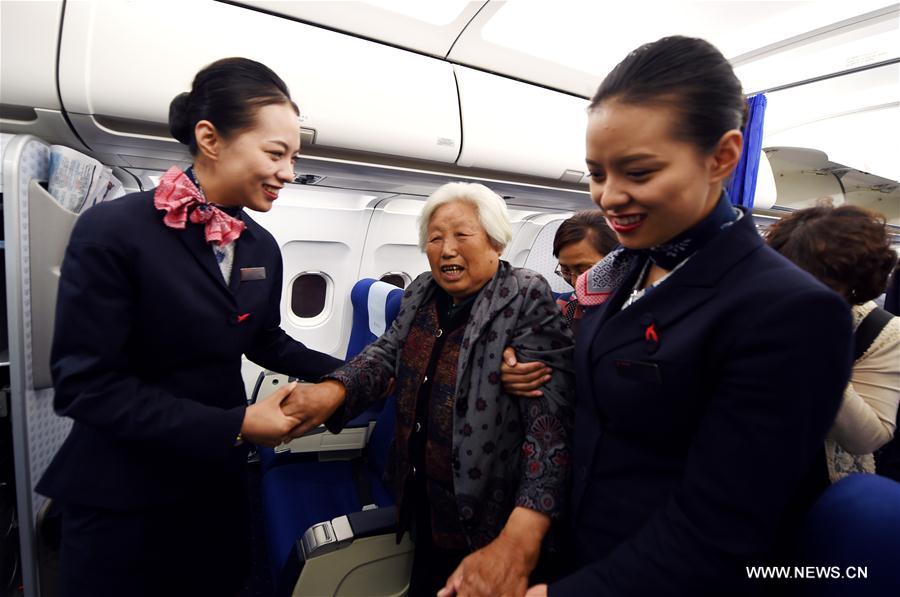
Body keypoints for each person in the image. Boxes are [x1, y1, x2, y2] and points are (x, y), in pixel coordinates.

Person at [507, 36, 853, 596]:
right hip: (582, 557)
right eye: (597, 173)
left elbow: (720, 532)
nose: (609, 197)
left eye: (638, 173)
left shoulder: (791, 312)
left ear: (722, 157)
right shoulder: (617, 276)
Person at [36, 58, 343, 596]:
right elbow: (88, 388)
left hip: (212, 488)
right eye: (276, 153)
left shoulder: (258, 245)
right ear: (210, 138)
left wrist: (362, 371)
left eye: (294, 157)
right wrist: (240, 422)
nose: (289, 172)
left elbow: (266, 339)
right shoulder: (114, 231)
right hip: (124, 496)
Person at [280, 182, 574, 597]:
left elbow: (550, 429)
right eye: (435, 238)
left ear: (495, 241)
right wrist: (334, 390)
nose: (446, 249)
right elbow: (386, 354)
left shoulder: (525, 296)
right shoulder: (421, 288)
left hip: (484, 509)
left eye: (461, 235)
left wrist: (520, 537)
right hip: (419, 490)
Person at [765, 205, 899, 482]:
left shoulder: (881, 332)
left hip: (817, 482)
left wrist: (817, 351)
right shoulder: (758, 310)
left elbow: (867, 438)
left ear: (853, 284)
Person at [504, 211, 616, 398]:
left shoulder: (631, 311)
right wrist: (511, 361)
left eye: (585, 270)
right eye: (565, 270)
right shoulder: (561, 306)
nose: (575, 281)